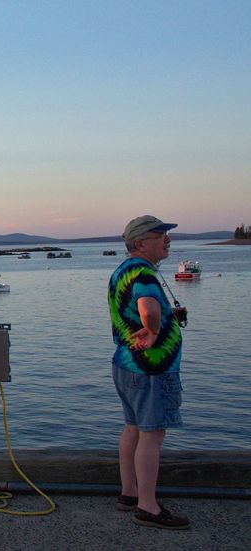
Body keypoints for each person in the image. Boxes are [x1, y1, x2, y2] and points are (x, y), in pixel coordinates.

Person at [107, 215, 189, 530]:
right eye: (160, 236)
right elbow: (149, 309)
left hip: (126, 364)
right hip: (150, 368)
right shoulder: (143, 273)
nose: (167, 241)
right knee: (152, 435)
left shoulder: (122, 270)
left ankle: (129, 493)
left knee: (133, 429)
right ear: (141, 243)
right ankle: (148, 507)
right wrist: (153, 330)